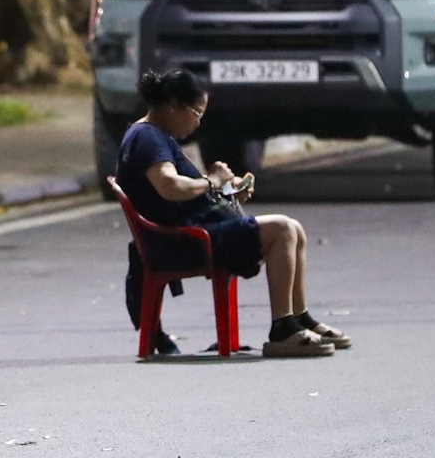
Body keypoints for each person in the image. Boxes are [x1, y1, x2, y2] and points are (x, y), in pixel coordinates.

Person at [116, 69, 348, 357]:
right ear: (174, 106)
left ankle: (299, 317)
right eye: (196, 113)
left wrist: (225, 191)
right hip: (184, 242)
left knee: (294, 228)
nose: (198, 122)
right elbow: (169, 186)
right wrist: (211, 180)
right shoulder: (147, 137)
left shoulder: (154, 135)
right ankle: (282, 328)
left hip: (191, 232)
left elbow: (190, 193)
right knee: (282, 229)